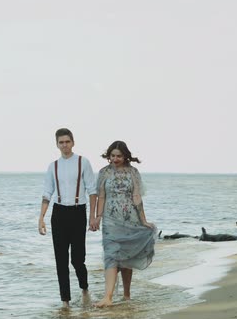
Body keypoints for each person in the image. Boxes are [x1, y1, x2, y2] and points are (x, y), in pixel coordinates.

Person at [38, 128, 98, 308]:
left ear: (73, 142)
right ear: (57, 144)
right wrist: (41, 217)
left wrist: (92, 217)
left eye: (67, 142)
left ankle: (85, 289)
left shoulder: (83, 162)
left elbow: (92, 191)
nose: (64, 145)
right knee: (61, 260)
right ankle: (65, 302)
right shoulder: (53, 166)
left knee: (78, 259)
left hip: (78, 212)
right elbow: (47, 193)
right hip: (58, 214)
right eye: (61, 142)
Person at [93, 140, 157, 307]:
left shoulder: (133, 172)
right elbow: (101, 196)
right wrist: (97, 217)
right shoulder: (104, 172)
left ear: (125, 156)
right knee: (111, 256)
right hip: (110, 221)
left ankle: (127, 295)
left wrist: (143, 220)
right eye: (112, 156)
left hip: (131, 219)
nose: (115, 159)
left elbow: (137, 196)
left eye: (119, 156)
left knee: (127, 257)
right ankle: (108, 297)